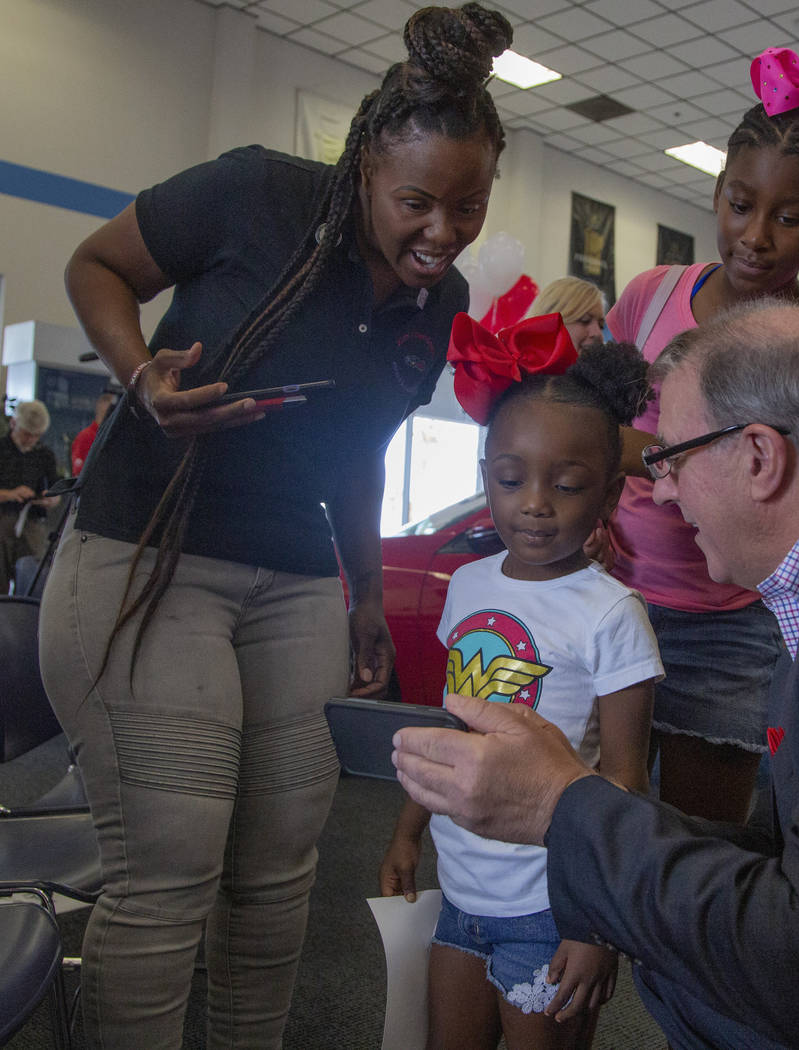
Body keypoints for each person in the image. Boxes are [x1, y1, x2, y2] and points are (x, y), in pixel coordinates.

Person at [37, 4, 512, 1047]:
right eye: (417, 203)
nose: (442, 233)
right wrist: (140, 377)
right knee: (172, 865)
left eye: (468, 207)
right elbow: (96, 265)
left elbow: (358, 449)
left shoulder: (440, 301)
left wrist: (366, 599)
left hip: (294, 576)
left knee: (278, 869)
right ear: (363, 173)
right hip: (150, 551)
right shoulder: (260, 195)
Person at [393, 301, 799, 1050]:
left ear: (759, 457)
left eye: (670, 456)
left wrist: (560, 805)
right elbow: (794, 851)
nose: (663, 490)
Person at [606, 39, 799, 822]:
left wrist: (654, 460)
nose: (756, 235)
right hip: (615, 593)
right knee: (592, 818)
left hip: (731, 623)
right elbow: (595, 425)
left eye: (790, 217)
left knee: (699, 844)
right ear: (718, 192)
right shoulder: (651, 297)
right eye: (739, 204)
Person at [380, 313, 663, 1050]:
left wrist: (599, 922)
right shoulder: (470, 585)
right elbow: (452, 728)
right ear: (487, 480)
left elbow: (625, 780)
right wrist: (409, 833)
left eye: (567, 485)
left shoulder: (612, 613)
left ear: (605, 499)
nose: (534, 502)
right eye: (511, 479)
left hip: (552, 908)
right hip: (462, 894)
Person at [0, 400, 60, 595]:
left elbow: (55, 491)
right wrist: (10, 494)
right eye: (27, 434)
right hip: (4, 518)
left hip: (32, 521)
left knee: (31, 578)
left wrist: (50, 499)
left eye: (36, 436)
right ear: (14, 424)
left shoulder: (45, 455)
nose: (31, 440)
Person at [526, 276, 606, 351]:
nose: (597, 333)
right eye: (585, 320)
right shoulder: (517, 364)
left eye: (601, 325)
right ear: (549, 325)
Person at [70, 389, 117, 475]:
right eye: (106, 400)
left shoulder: (115, 438)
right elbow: (78, 474)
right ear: (99, 404)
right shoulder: (86, 436)